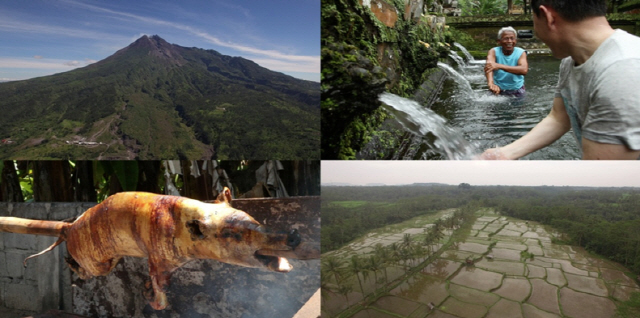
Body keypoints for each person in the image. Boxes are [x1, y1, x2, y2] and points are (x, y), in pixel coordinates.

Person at [480, 0, 640, 160]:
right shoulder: (571, 60)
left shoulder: (623, 69)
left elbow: (602, 177)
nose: (536, 33)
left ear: (547, 16)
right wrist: (504, 154)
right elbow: (559, 117)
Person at [485, 26, 528, 97]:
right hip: (498, 88)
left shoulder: (521, 52)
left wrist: (499, 66)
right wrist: (491, 84)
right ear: (499, 41)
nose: (509, 41)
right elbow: (489, 67)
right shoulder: (493, 51)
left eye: (512, 38)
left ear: (516, 40)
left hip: (516, 89)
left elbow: (524, 70)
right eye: (506, 38)